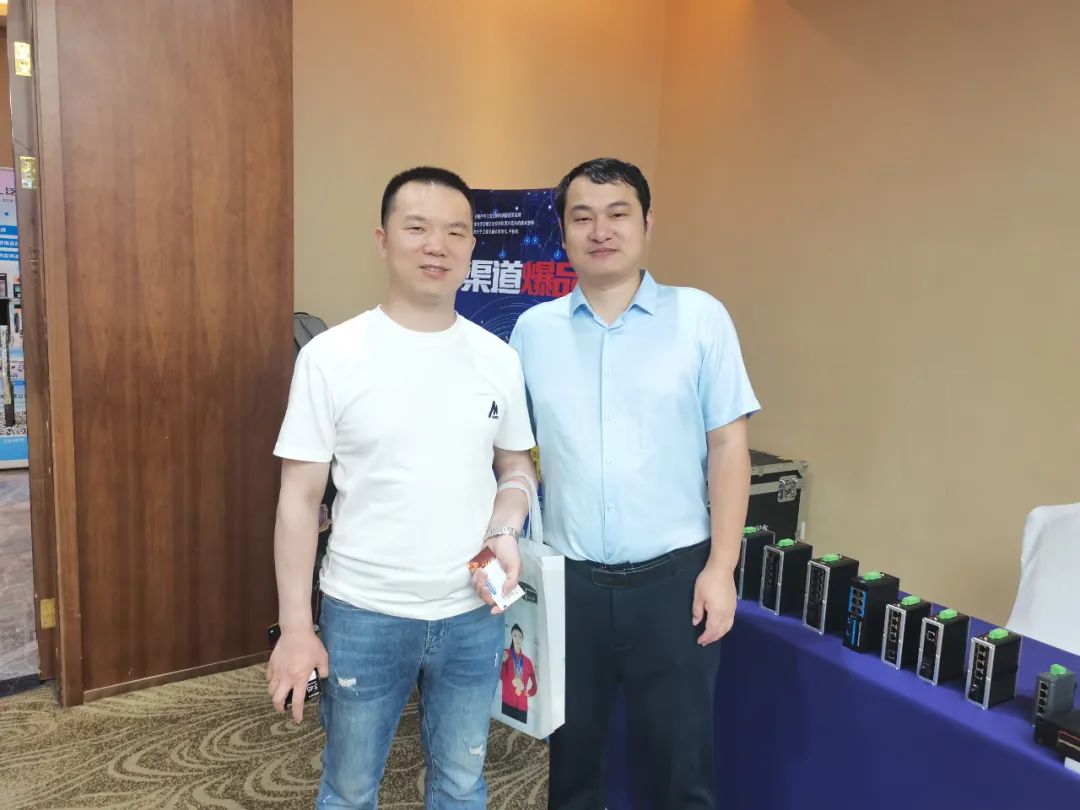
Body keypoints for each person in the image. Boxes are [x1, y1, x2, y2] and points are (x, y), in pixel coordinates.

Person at [267, 166, 538, 810]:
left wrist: (506, 526)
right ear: (383, 240)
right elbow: (298, 500)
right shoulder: (332, 357)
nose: (436, 245)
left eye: (455, 232)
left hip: (473, 614)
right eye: (417, 228)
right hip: (364, 611)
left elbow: (516, 468)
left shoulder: (498, 358)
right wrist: (296, 628)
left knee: (463, 783)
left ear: (472, 247)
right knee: (350, 787)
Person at [509, 157, 760, 810]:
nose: (601, 231)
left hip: (675, 583)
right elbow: (513, 455)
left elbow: (729, 447)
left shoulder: (700, 317)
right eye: (582, 217)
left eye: (618, 213)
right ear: (563, 232)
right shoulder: (533, 332)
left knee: (681, 769)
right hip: (571, 587)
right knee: (572, 768)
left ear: (647, 223)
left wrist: (722, 567)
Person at [499, 623, 538, 723]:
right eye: (515, 635)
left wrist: (530, 692)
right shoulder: (506, 654)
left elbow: (534, 681)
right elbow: (501, 676)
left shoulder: (528, 662)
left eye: (520, 637)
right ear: (511, 636)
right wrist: (502, 662)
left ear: (522, 639)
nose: (517, 639)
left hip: (522, 708)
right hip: (507, 703)